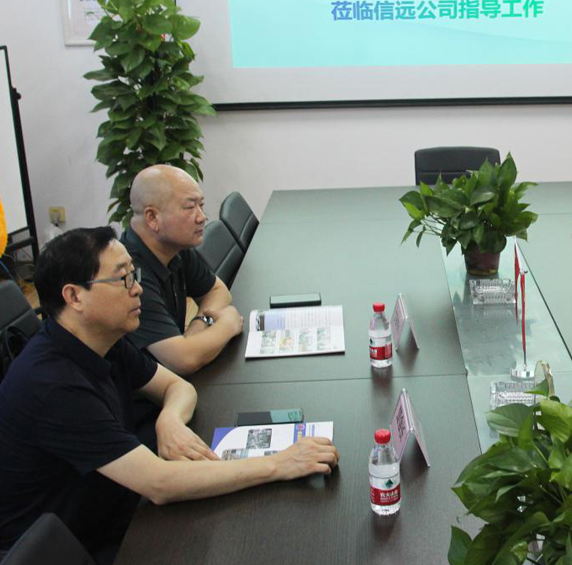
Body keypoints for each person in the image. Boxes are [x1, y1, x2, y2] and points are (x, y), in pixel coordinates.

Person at [0, 228, 339, 563]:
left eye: (134, 274)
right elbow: (159, 483)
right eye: (123, 279)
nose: (137, 289)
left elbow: (177, 387)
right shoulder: (52, 384)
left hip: (116, 506)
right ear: (75, 297)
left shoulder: (103, 340)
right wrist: (279, 463)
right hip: (77, 548)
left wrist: (170, 420)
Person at [122, 165, 242, 375]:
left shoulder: (174, 246)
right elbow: (182, 360)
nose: (201, 217)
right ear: (152, 218)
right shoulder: (130, 273)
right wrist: (228, 325)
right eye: (189, 207)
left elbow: (217, 290)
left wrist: (199, 324)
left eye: (201, 206)